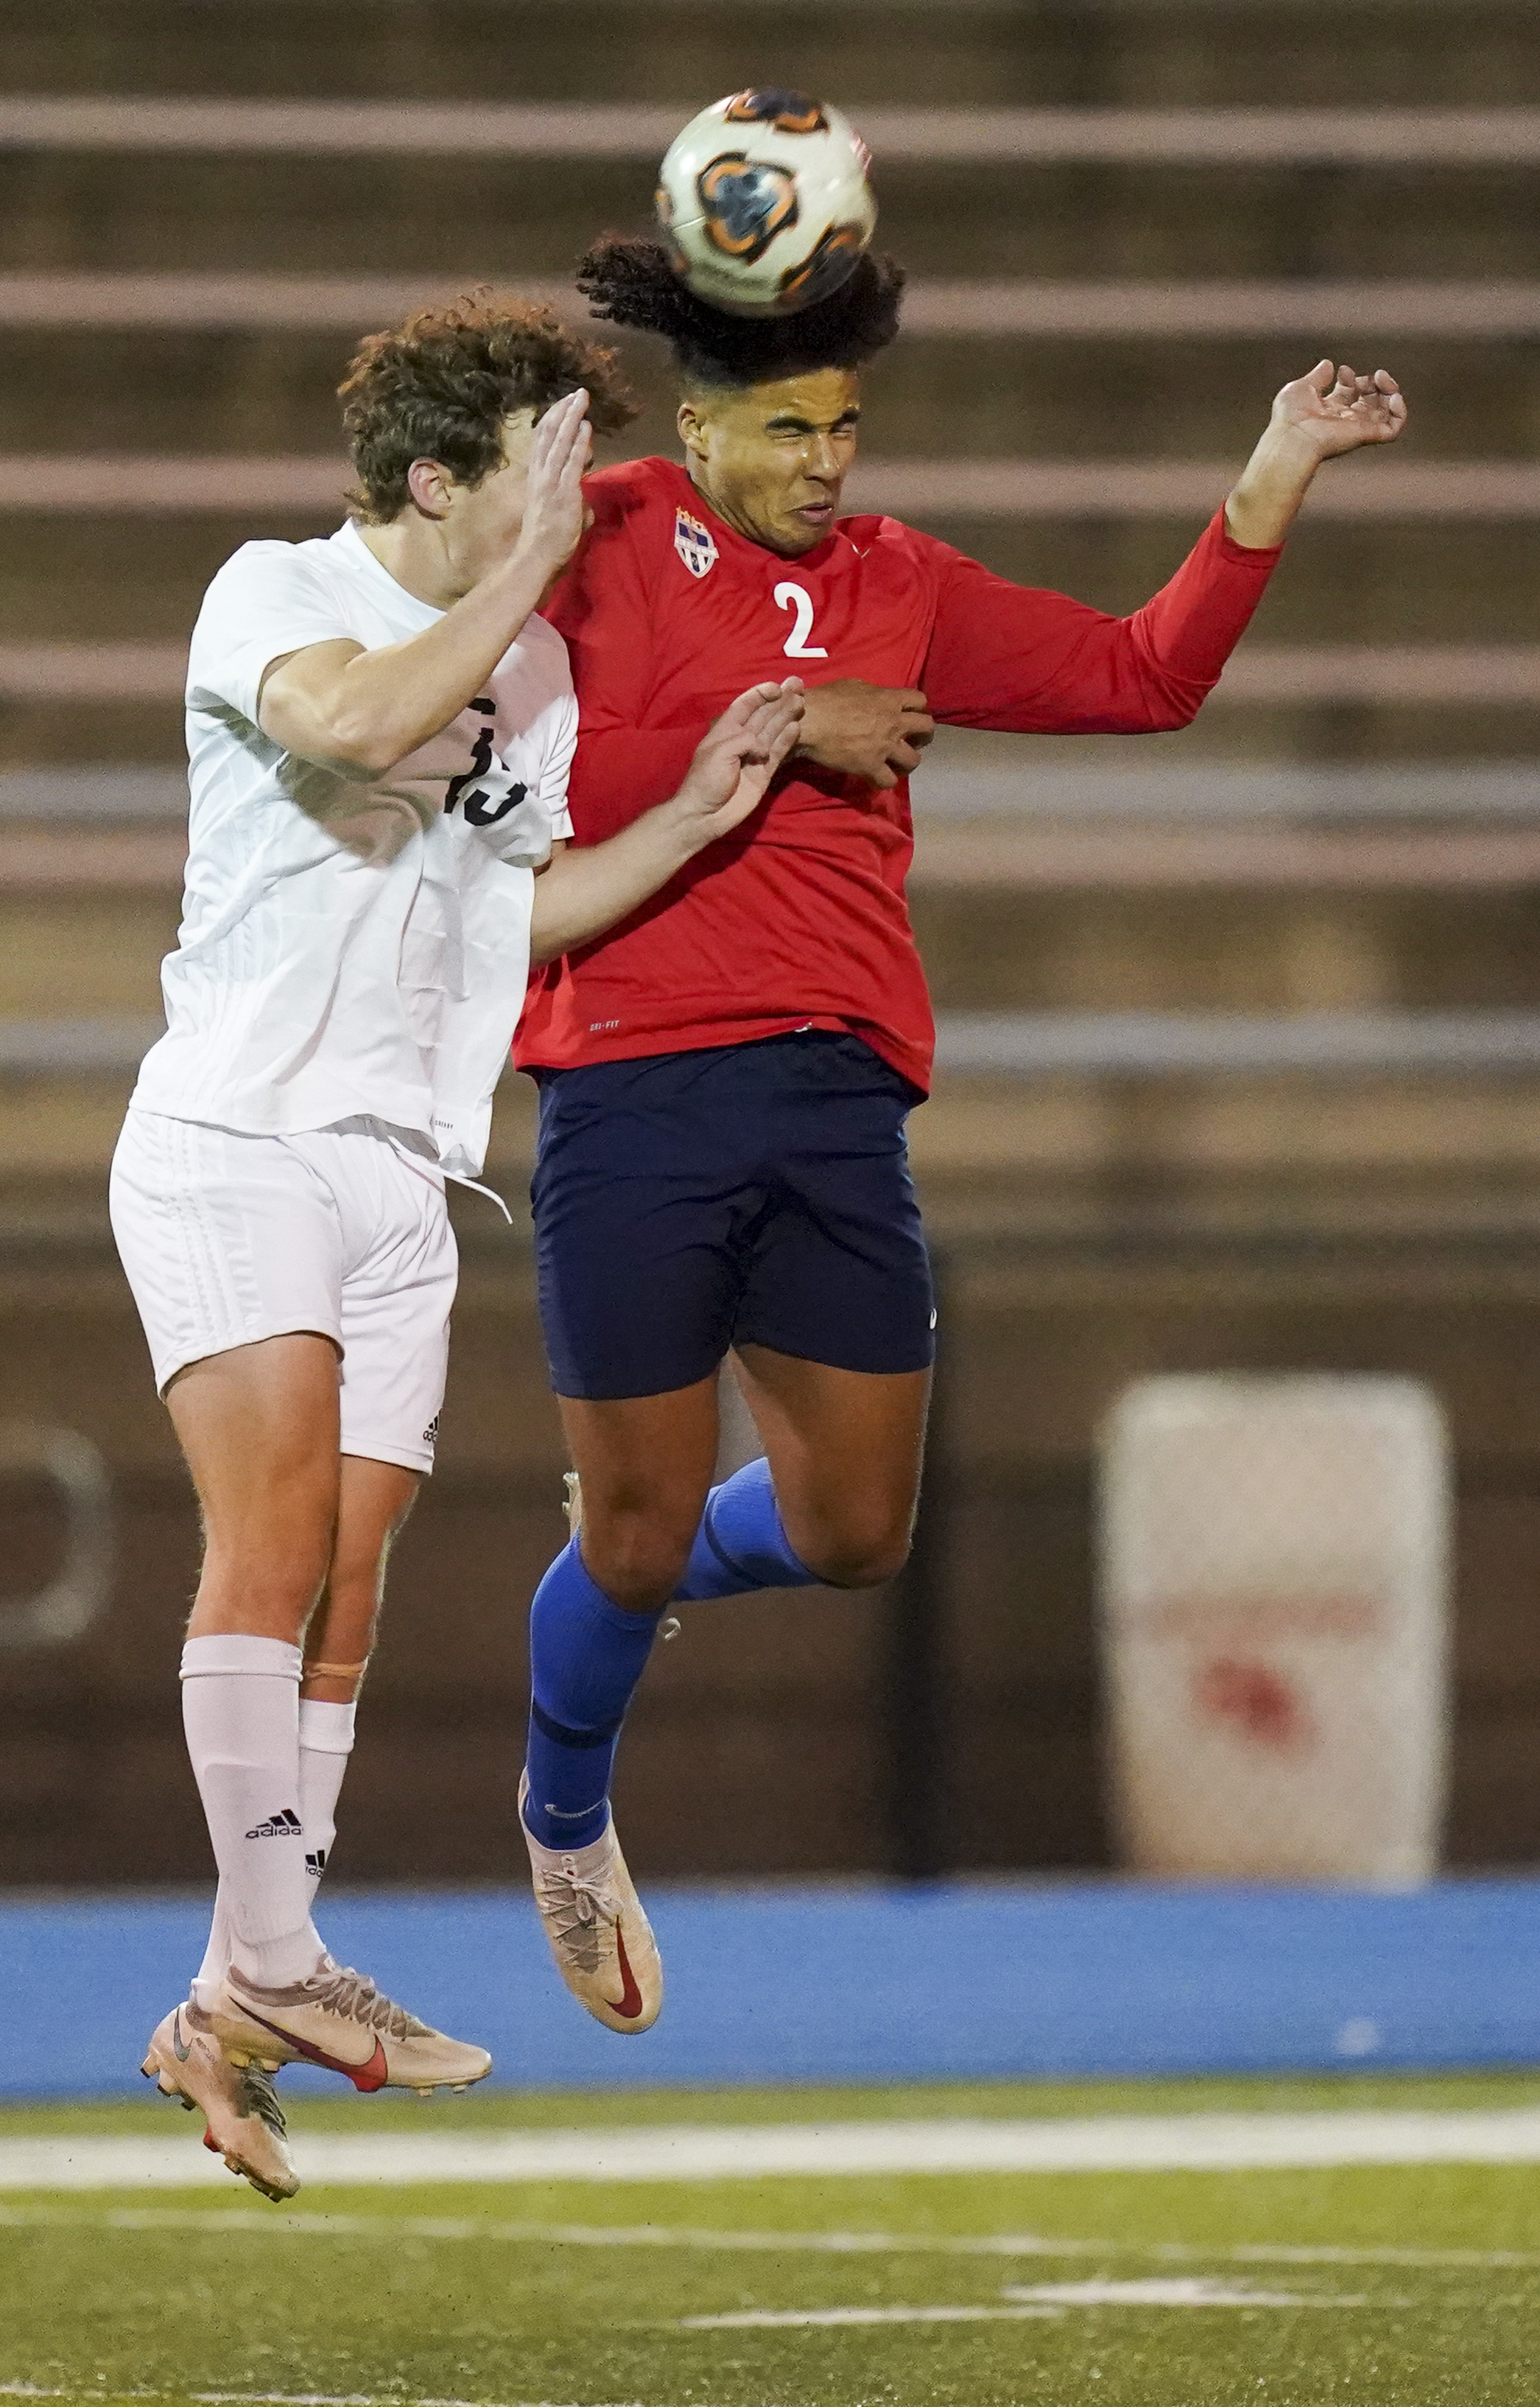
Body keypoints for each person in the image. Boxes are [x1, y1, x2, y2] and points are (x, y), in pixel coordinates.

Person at [511, 233, 1409, 2032]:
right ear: (696, 428)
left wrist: (1270, 476)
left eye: (845, 428)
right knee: (628, 1540)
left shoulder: (899, 578)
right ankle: (563, 1815)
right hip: (631, 1074)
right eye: (790, 428)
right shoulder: (593, 539)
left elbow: (1147, 677)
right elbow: (549, 787)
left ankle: (637, 1532)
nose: (828, 462)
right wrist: (782, 723)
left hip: (840, 1097)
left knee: (853, 1528)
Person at [109, 294, 802, 2199]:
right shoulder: (278, 589)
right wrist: (530, 590)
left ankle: (227, 1992)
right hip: (236, 1135)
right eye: (540, 467)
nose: (574, 495)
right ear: (436, 482)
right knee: (267, 1542)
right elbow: (351, 715)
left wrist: (687, 821)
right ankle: (278, 1959)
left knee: (351, 1574)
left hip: (405, 1169)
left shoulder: (537, 677)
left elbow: (517, 900)